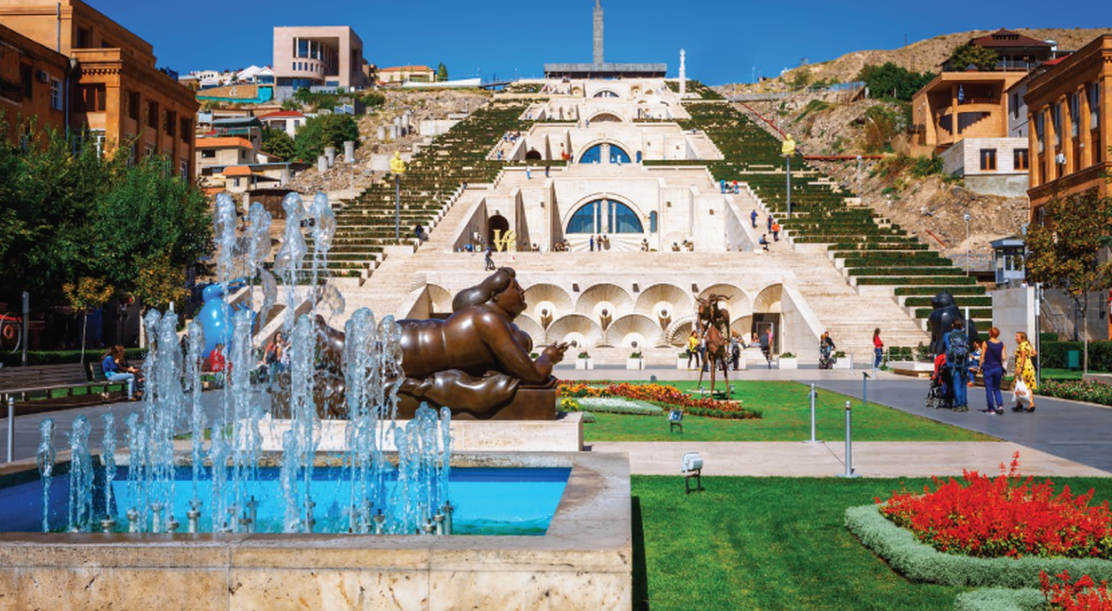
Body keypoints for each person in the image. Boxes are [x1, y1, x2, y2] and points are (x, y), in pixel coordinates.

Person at [977, 327, 1007, 415]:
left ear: (990, 333)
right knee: (997, 388)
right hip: (998, 368)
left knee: (989, 389)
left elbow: (982, 356)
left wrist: (979, 367)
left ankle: (991, 408)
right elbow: (1004, 357)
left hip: (988, 367)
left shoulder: (986, 343)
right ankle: (1000, 405)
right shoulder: (1002, 344)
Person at [943, 320, 970, 412]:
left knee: (956, 383)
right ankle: (964, 404)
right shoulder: (965, 336)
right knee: (963, 384)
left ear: (952, 325)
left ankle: (958, 404)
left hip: (953, 363)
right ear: (961, 326)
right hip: (964, 362)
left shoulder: (948, 335)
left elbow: (947, 347)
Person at [1013, 331, 1038, 412]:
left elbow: (1023, 356)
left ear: (1022, 338)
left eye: (1017, 336)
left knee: (1019, 384)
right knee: (1027, 386)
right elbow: (1035, 353)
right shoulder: (1028, 344)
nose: (1015, 338)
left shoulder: (1022, 345)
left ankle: (1020, 404)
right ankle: (1030, 404)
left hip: (1024, 368)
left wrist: (1020, 367)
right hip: (1029, 367)